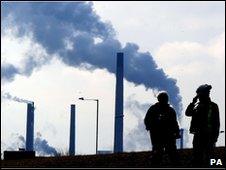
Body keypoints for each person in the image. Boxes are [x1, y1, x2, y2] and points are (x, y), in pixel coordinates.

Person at [185, 84, 220, 167]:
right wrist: (193, 102)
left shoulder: (213, 106)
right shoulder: (197, 106)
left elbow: (216, 123)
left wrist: (215, 137)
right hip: (198, 135)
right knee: (198, 156)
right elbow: (188, 113)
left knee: (209, 157)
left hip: (208, 135)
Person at [144, 91, 180, 166]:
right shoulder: (154, 109)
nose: (164, 100)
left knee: (171, 153)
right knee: (158, 153)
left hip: (167, 135)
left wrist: (176, 132)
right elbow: (147, 120)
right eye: (163, 99)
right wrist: (150, 127)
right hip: (157, 135)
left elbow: (174, 122)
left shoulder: (170, 110)